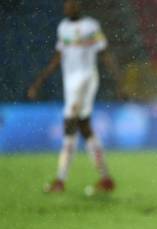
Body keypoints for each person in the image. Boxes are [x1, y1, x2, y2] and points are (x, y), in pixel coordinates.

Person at [28, 0, 121, 194]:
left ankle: (60, 180)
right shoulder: (63, 28)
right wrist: (39, 82)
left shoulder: (91, 26)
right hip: (70, 83)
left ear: (79, 5)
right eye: (66, 4)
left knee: (69, 124)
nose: (68, 7)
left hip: (86, 80)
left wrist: (118, 81)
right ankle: (106, 179)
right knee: (84, 128)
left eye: (72, 3)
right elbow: (58, 57)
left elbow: (104, 54)